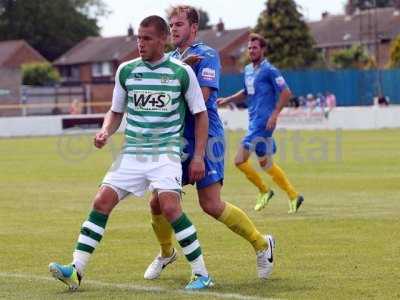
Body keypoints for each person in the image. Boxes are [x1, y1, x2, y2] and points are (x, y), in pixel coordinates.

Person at [48, 15, 214, 291]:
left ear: (163, 39)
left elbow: (201, 114)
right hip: (132, 152)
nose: (140, 43)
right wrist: (105, 131)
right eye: (138, 37)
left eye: (147, 38)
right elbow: (115, 112)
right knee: (101, 201)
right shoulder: (126, 71)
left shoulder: (181, 72)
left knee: (170, 207)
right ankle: (76, 270)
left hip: (165, 154)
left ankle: (202, 274)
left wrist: (197, 156)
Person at [144, 5, 275, 282]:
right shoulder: (170, 58)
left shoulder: (206, 55)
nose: (173, 29)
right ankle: (167, 253)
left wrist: (199, 155)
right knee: (156, 202)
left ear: (193, 27)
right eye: (170, 25)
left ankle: (262, 244)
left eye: (178, 24)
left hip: (207, 137)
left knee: (211, 204)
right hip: (176, 139)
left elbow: (200, 100)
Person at [217, 33, 304, 214]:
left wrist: (274, 114)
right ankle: (294, 195)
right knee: (266, 164)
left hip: (263, 123)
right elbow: (246, 92)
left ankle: (264, 190)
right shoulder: (248, 69)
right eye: (249, 48)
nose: (251, 50)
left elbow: (286, 92)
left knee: (239, 160)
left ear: (263, 49)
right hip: (253, 120)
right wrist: (228, 99)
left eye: (255, 48)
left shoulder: (269, 70)